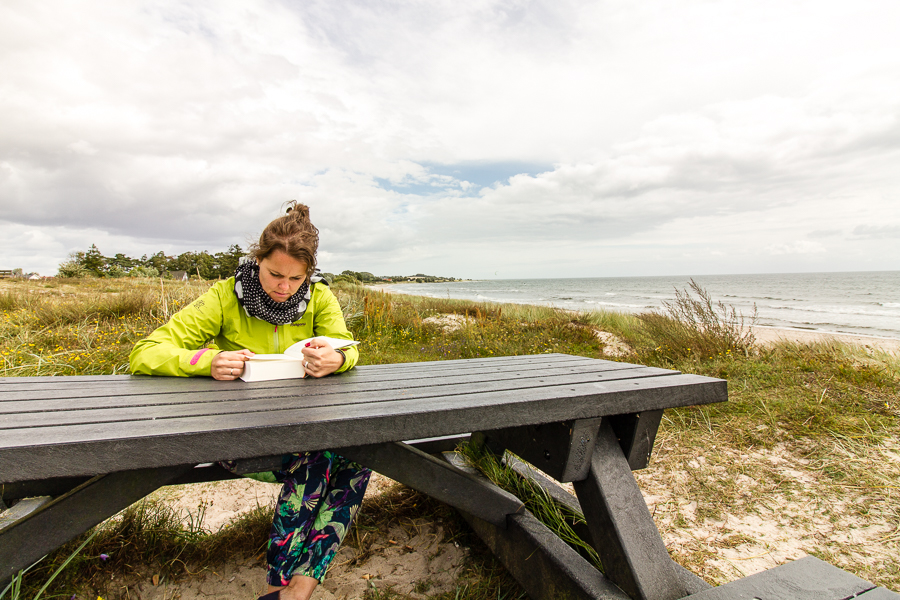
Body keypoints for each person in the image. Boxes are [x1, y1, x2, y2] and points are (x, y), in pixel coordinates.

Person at [129, 202, 370, 600]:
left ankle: (298, 588)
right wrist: (205, 361)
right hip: (237, 436)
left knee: (360, 457)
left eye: (296, 278)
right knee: (322, 461)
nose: (284, 287)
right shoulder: (225, 296)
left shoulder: (319, 297)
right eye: (275, 274)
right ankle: (283, 586)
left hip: (303, 428)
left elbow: (349, 348)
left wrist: (337, 358)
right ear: (257, 260)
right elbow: (145, 352)